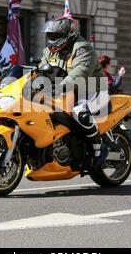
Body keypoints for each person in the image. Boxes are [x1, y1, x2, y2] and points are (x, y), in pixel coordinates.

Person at [40, 15, 107, 165]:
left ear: (67, 35)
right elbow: (41, 70)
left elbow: (80, 72)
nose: (52, 39)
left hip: (90, 89)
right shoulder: (49, 51)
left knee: (79, 112)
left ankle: (98, 146)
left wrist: (62, 85)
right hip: (64, 92)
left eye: (56, 36)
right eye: (50, 36)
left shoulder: (82, 48)